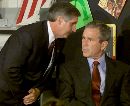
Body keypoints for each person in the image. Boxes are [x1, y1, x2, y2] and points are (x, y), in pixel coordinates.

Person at [0, 2, 80, 106]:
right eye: (72, 24)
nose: (75, 29)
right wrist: (26, 96)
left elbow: (47, 71)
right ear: (60, 20)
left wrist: (38, 90)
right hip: (8, 97)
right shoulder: (27, 36)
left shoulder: (60, 40)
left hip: (29, 97)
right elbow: (10, 70)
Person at [57, 21, 130, 106]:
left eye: (90, 39)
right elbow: (65, 101)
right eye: (83, 38)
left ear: (103, 45)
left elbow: (126, 102)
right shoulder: (68, 69)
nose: (84, 44)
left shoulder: (122, 70)